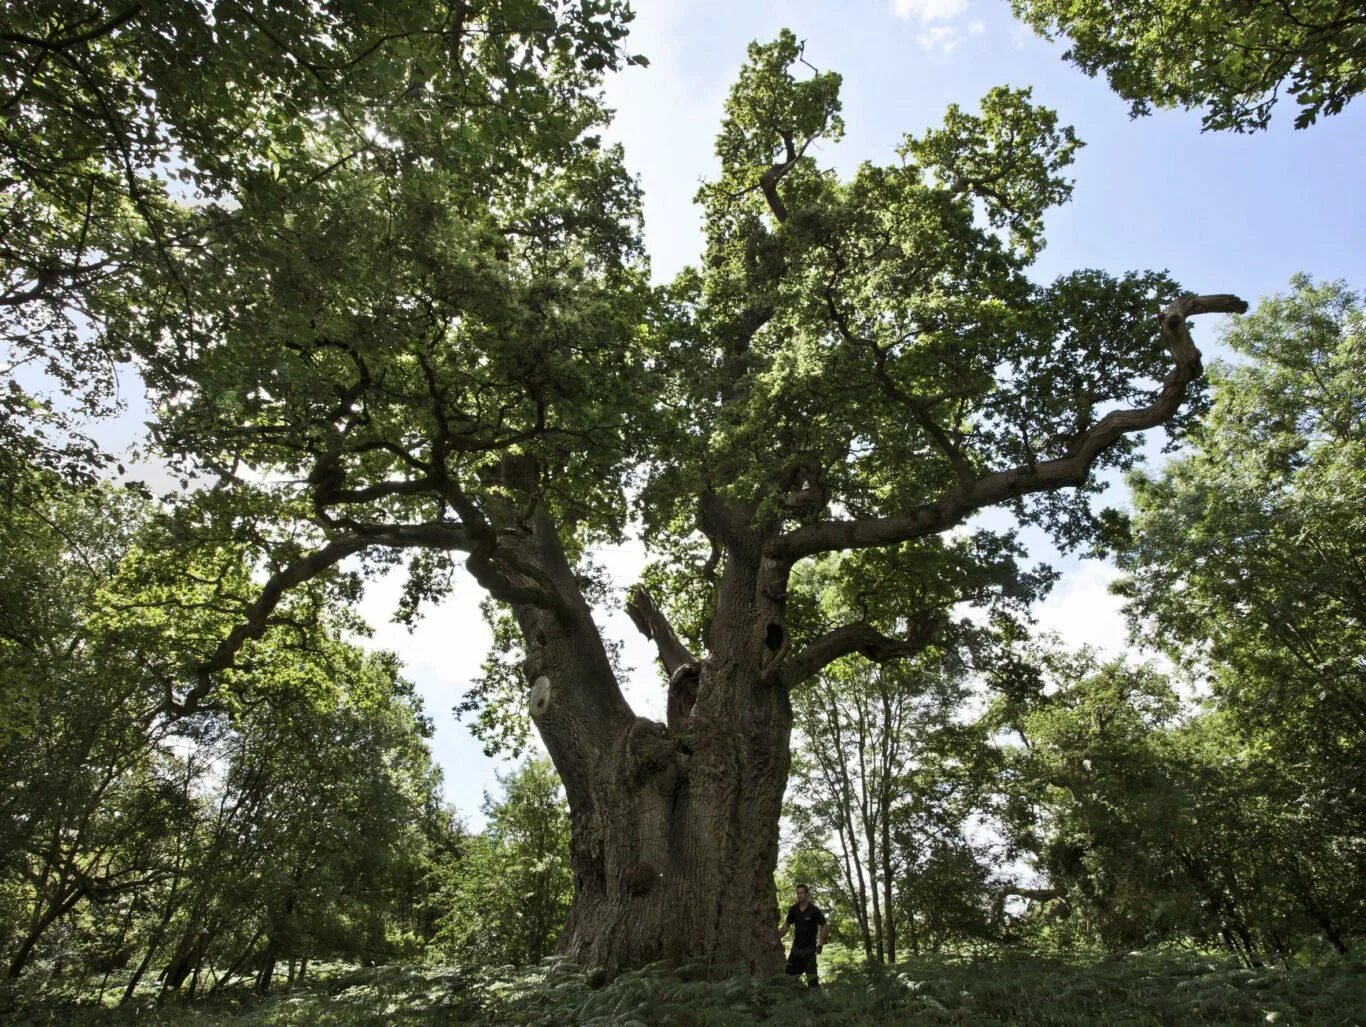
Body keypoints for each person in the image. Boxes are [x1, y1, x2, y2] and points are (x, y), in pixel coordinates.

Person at [777, 884, 829, 988]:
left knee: (813, 984)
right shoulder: (793, 909)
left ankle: (814, 998)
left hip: (809, 951)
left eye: (802, 893)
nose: (799, 895)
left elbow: (825, 926)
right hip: (796, 950)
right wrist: (777, 938)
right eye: (798, 893)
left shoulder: (814, 910)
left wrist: (821, 944)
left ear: (806, 894)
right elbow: (787, 925)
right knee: (788, 979)